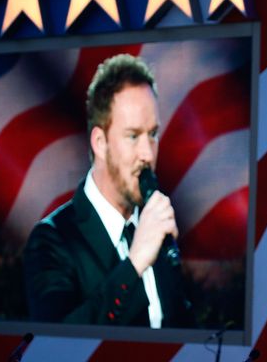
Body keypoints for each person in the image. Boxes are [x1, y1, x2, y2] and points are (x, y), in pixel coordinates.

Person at [24, 54, 191, 327]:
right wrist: (135, 263)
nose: (147, 153)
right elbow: (56, 345)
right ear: (100, 143)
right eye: (133, 136)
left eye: (153, 134)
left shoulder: (155, 233)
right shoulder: (52, 240)